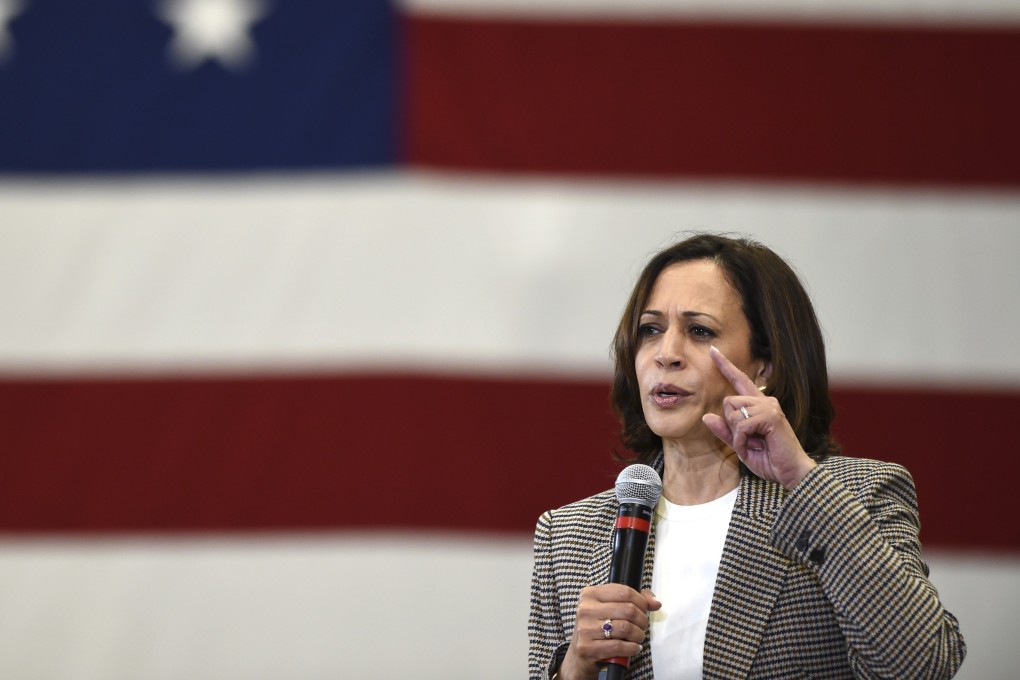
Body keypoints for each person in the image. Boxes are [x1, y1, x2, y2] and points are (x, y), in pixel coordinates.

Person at [528, 233, 966, 679]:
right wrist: (575, 669)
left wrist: (801, 479)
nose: (667, 354)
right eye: (651, 329)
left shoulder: (855, 496)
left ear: (765, 366)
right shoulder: (566, 536)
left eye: (699, 331)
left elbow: (922, 667)